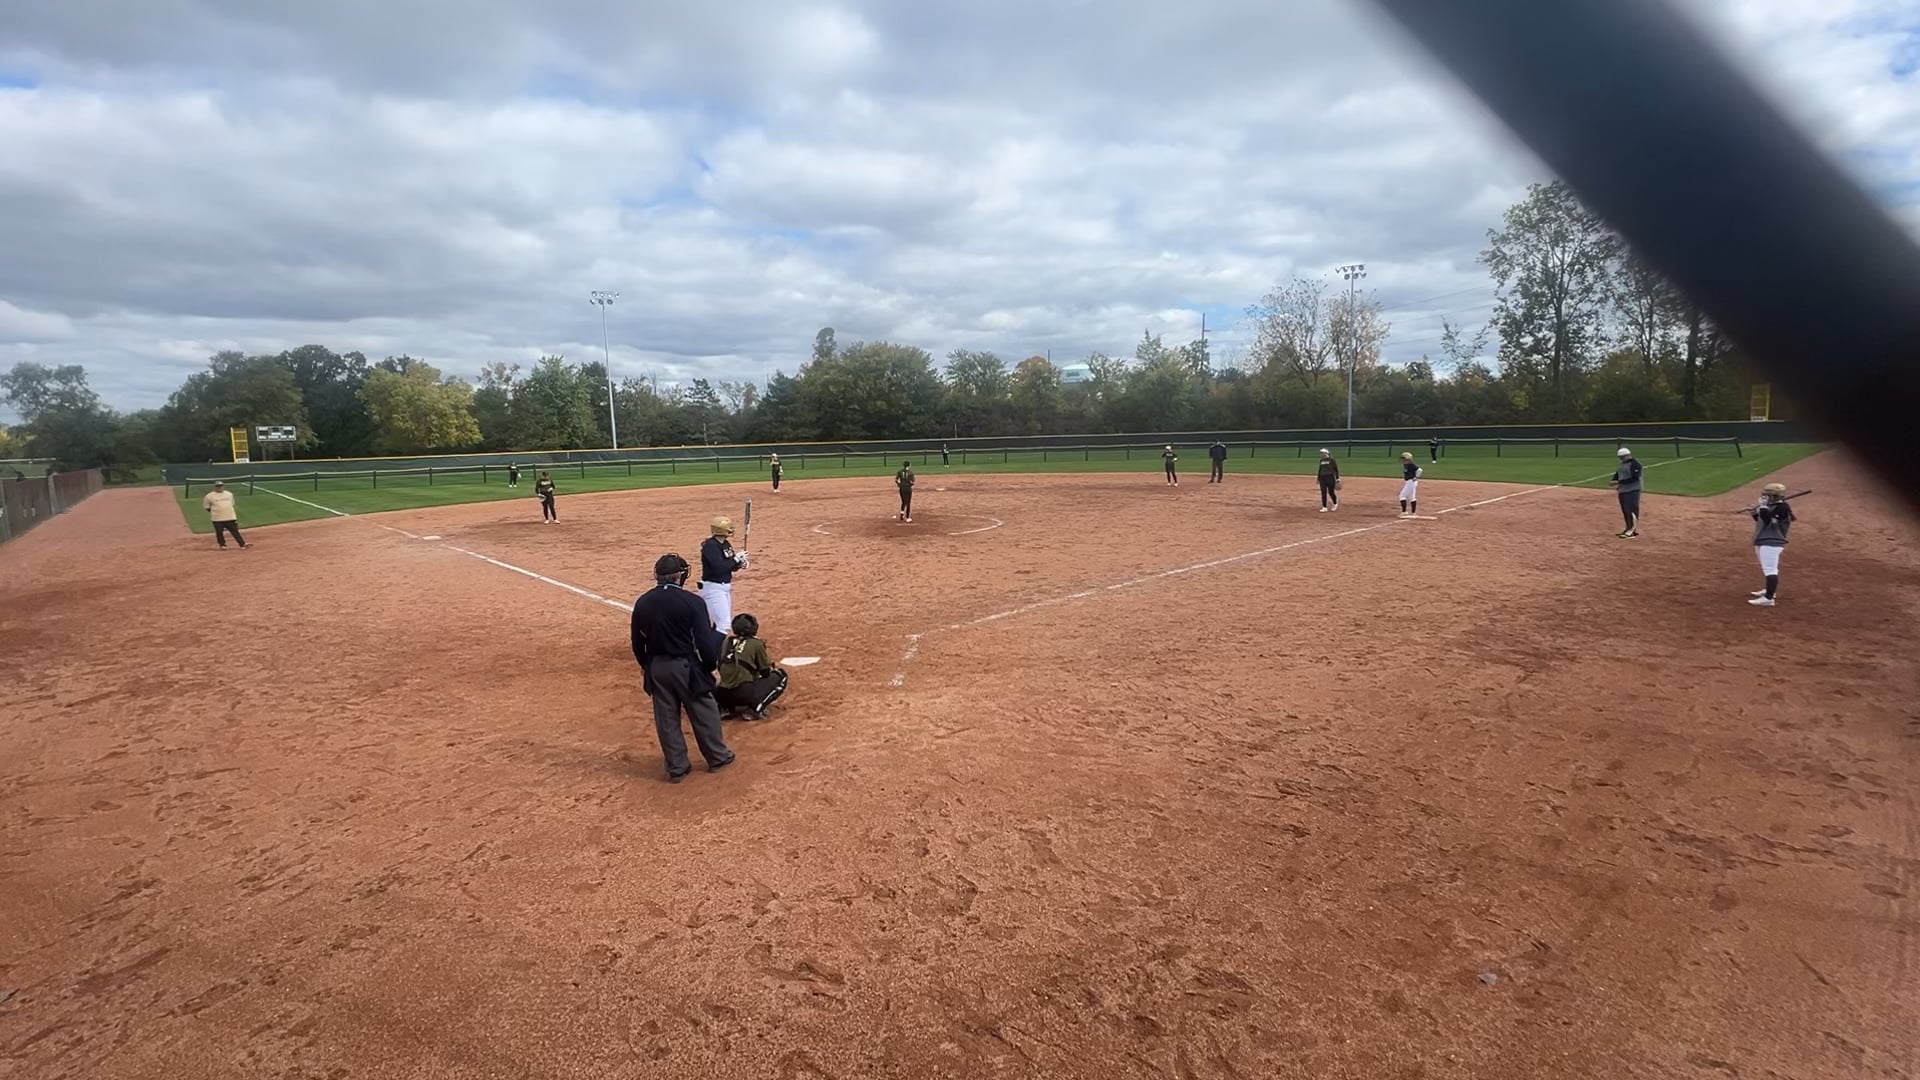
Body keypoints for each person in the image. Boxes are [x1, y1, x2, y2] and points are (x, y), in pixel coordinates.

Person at [630, 554, 733, 781]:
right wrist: (709, 666)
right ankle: (717, 756)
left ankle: (677, 767)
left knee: (666, 718)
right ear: (680, 576)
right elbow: (704, 642)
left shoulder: (643, 602)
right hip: (686, 666)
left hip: (657, 666)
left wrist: (647, 665)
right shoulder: (692, 602)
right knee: (704, 711)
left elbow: (637, 642)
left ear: (657, 575)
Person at [715, 613, 790, 720]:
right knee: (781, 676)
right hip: (743, 694)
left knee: (733, 676)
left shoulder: (726, 642)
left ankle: (725, 708)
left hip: (721, 694)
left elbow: (720, 666)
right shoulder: (756, 643)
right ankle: (754, 710)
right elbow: (765, 672)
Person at [1746, 483, 1796, 607]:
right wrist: (1754, 513)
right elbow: (1762, 520)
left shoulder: (1782, 508)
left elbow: (1770, 521)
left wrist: (1763, 507)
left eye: (1766, 495)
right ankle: (1769, 590)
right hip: (1763, 540)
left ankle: (1769, 598)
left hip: (1772, 541)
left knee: (1770, 569)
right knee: (1767, 567)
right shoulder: (1771, 506)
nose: (1764, 497)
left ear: (1773, 496)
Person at [699, 516, 748, 630]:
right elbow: (719, 568)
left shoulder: (725, 544)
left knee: (721, 622)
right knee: (723, 624)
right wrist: (736, 559)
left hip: (724, 587)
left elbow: (729, 566)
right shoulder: (710, 546)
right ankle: (715, 642)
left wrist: (739, 564)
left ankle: (715, 640)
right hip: (713, 588)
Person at [201, 480, 249, 549]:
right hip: (217, 518)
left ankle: (242, 544)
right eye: (218, 486)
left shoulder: (229, 494)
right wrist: (217, 512)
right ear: (215, 487)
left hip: (230, 517)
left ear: (223, 486)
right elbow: (207, 507)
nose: (219, 487)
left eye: (220, 486)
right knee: (219, 532)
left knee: (235, 531)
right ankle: (222, 545)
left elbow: (232, 504)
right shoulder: (209, 496)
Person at [1608, 447, 1642, 538]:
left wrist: (1619, 482)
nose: (1621, 459)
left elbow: (1634, 478)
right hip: (1622, 490)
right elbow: (1617, 474)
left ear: (1628, 455)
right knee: (1625, 510)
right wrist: (1613, 480)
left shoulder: (1635, 464)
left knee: (1632, 510)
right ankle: (1628, 528)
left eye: (1622, 457)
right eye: (1620, 458)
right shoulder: (1622, 464)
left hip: (1632, 490)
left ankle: (1632, 531)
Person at [1398, 452, 1422, 516]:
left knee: (1402, 496)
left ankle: (1404, 512)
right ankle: (1413, 513)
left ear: (1407, 459)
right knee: (1412, 497)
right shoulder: (1405, 465)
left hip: (1411, 482)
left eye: (1404, 458)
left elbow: (1420, 470)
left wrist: (1416, 477)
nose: (1402, 460)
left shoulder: (1411, 465)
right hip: (1409, 482)